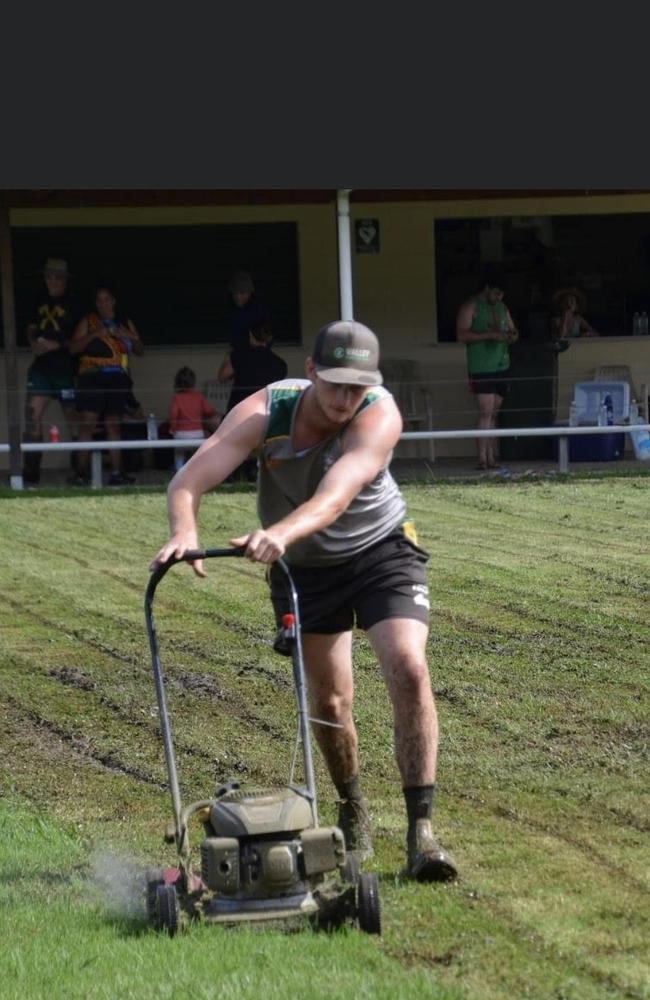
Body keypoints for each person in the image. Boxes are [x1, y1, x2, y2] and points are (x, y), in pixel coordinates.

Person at [151, 320, 458, 883]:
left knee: (410, 668)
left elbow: (336, 496)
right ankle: (353, 806)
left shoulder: (380, 414)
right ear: (311, 371)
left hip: (380, 551)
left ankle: (422, 832)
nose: (345, 399)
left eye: (357, 387)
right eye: (336, 384)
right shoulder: (268, 411)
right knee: (332, 702)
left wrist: (281, 534)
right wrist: (184, 530)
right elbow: (188, 480)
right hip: (308, 572)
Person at [69, 285, 144, 486]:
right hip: (91, 377)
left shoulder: (124, 322)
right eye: (99, 300)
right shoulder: (89, 321)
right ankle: (81, 473)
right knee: (87, 424)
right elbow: (73, 348)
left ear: (113, 301)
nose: (103, 304)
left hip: (117, 379)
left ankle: (117, 472)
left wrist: (129, 337)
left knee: (114, 424)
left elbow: (139, 349)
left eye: (107, 299)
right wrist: (96, 334)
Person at [22, 257, 81, 486]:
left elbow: (80, 340)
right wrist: (33, 343)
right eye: (48, 277)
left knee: (74, 421)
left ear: (65, 280)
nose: (52, 281)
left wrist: (59, 345)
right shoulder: (37, 299)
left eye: (57, 277)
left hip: (66, 369)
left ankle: (79, 473)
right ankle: (30, 477)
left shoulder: (75, 304)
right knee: (32, 416)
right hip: (41, 368)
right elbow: (30, 328)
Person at [456, 268, 519, 471]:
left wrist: (511, 336)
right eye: (495, 293)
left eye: (501, 294)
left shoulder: (502, 307)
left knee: (494, 413)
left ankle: (492, 456)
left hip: (502, 364)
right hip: (481, 366)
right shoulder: (471, 307)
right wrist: (489, 336)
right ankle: (482, 458)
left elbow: (513, 330)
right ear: (486, 289)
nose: (498, 297)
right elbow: (462, 335)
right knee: (485, 411)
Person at [217, 321, 288, 481]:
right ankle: (254, 468)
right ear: (269, 338)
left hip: (237, 413)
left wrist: (228, 356)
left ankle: (235, 469)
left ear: (250, 336)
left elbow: (221, 377)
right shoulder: (280, 364)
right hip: (266, 414)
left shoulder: (237, 356)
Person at [169, 366, 222, 472]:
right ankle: (197, 472)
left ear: (177, 382)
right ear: (193, 382)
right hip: (197, 434)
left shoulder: (177, 398)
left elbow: (174, 415)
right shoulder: (198, 396)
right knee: (196, 456)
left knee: (179, 454)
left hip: (181, 434)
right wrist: (217, 413)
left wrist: (172, 428)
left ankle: (178, 471)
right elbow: (209, 410)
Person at [225, 271, 269, 351]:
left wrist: (261, 343)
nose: (238, 297)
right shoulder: (230, 310)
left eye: (242, 293)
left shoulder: (258, 310)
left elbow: (268, 336)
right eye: (235, 293)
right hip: (239, 352)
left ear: (250, 293)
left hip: (258, 351)